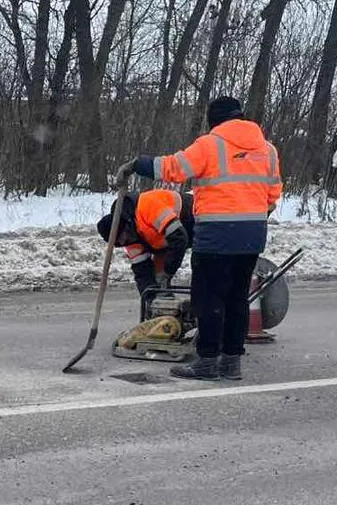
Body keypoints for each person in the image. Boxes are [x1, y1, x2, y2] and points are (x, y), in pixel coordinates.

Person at [124, 95, 282, 381]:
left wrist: (139, 164)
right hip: (252, 235)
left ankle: (207, 360)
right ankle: (231, 362)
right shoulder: (268, 150)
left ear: (214, 121)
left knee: (208, 298)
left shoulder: (210, 145)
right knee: (237, 298)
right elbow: (273, 195)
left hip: (216, 235)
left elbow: (173, 168)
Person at [96, 187, 194, 316]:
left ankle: (205, 311)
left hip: (194, 216)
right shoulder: (129, 239)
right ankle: (168, 315)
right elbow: (142, 271)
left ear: (126, 226)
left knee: (203, 269)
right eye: (121, 243)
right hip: (166, 243)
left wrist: (167, 272)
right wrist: (150, 300)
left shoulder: (146, 206)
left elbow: (179, 238)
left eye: (124, 238)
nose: (126, 242)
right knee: (158, 288)